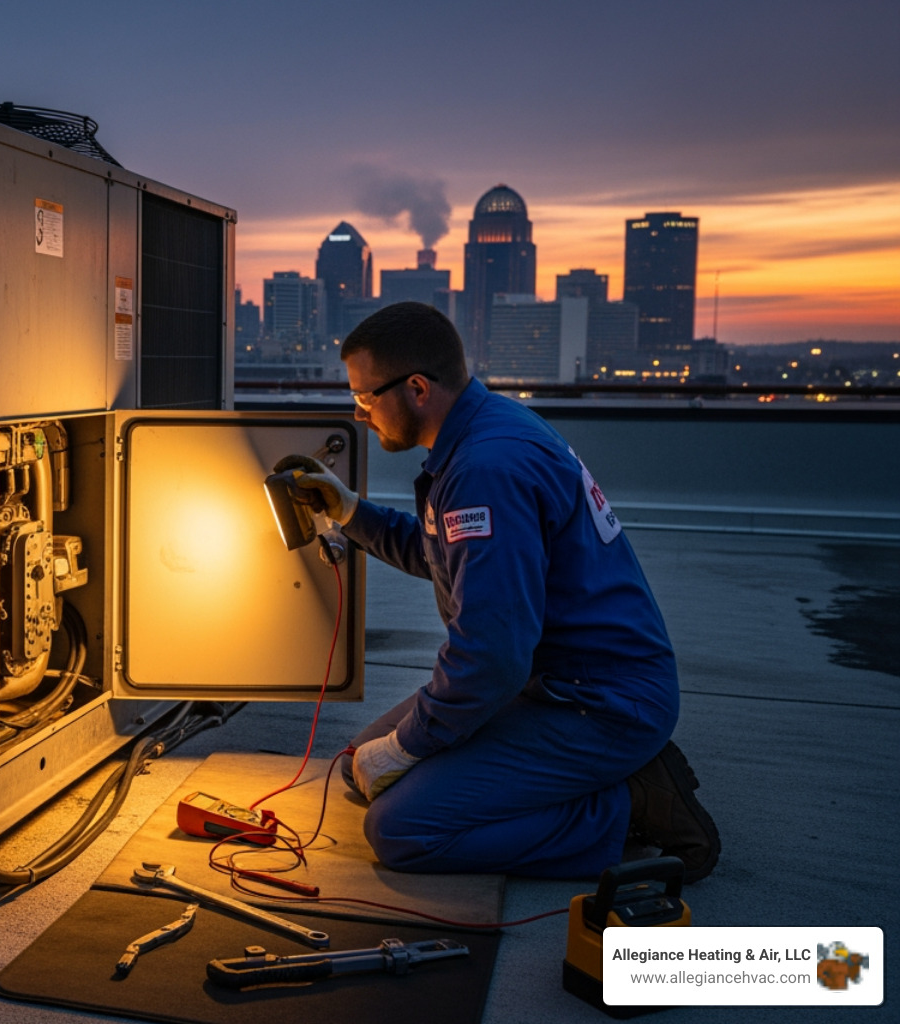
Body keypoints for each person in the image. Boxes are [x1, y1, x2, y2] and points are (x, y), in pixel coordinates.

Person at [281, 302, 721, 882]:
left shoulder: (486, 469)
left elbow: (491, 654)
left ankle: (630, 809)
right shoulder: (484, 429)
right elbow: (443, 559)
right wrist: (349, 510)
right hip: (546, 680)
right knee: (354, 765)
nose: (359, 415)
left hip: (600, 705)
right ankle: (548, 781)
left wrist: (408, 747)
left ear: (416, 388)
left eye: (365, 398)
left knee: (400, 829)